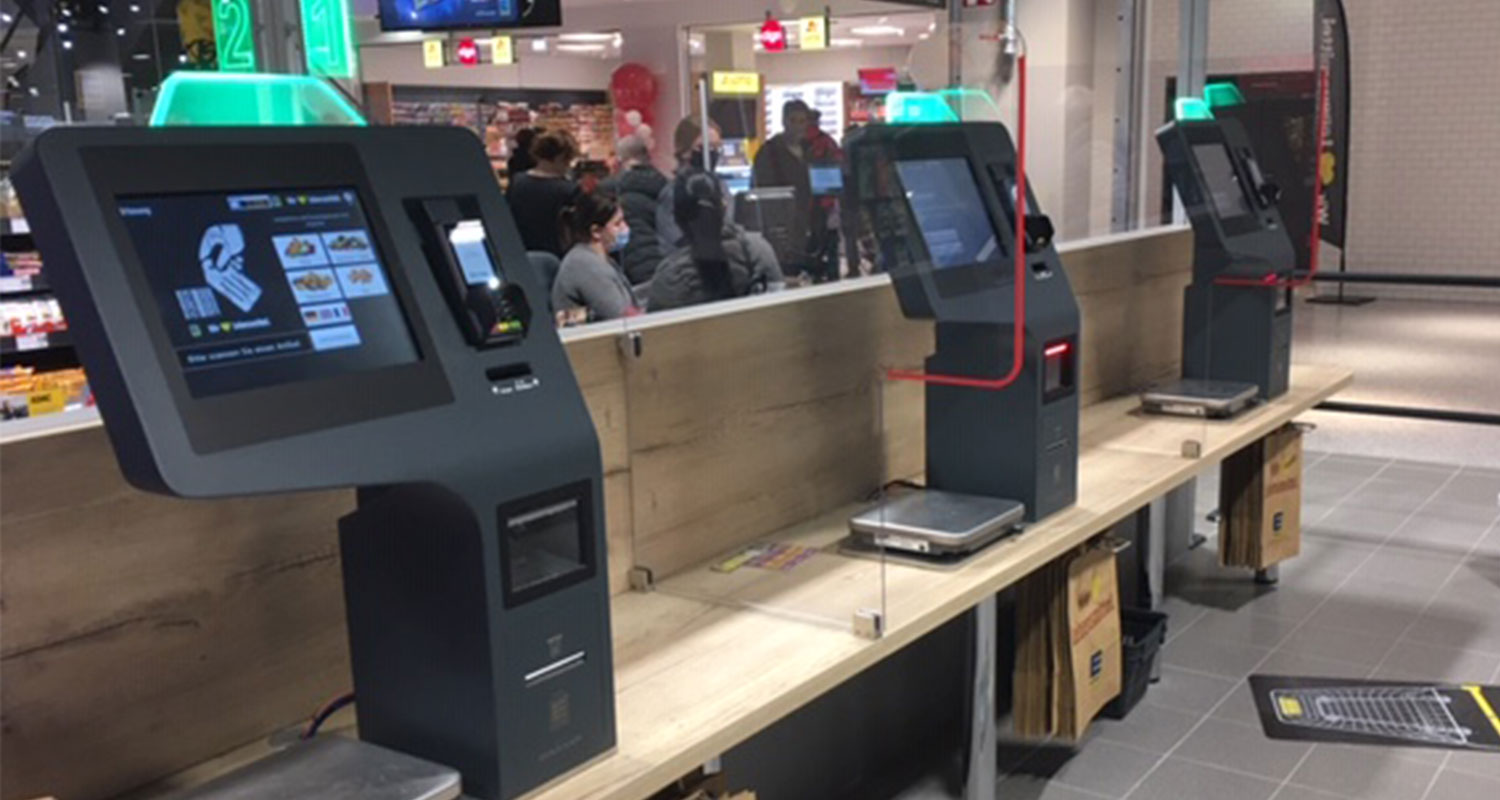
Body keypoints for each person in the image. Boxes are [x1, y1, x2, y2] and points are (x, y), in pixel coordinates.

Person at [648, 168, 785, 312]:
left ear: (677, 219)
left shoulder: (668, 278)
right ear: (724, 207)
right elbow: (779, 311)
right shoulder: (759, 251)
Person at [552, 192, 641, 323]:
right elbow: (620, 316)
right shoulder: (583, 265)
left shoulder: (600, 259)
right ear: (596, 231)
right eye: (617, 224)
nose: (625, 228)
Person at [751, 99, 815, 275]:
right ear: (783, 121)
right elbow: (760, 191)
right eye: (793, 120)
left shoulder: (812, 149)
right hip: (780, 225)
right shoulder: (769, 152)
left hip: (809, 220)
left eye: (802, 121)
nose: (798, 126)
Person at [600, 135, 670, 285]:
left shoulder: (613, 192)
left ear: (620, 161)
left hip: (633, 274)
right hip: (667, 268)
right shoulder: (666, 186)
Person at [506, 129, 581, 257]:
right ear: (560, 158)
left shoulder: (517, 182)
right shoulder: (569, 190)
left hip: (521, 251)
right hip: (556, 254)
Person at [656, 116, 726, 252]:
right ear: (684, 151)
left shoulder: (721, 187)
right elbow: (673, 241)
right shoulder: (673, 193)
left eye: (717, 147)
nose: (713, 153)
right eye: (705, 147)